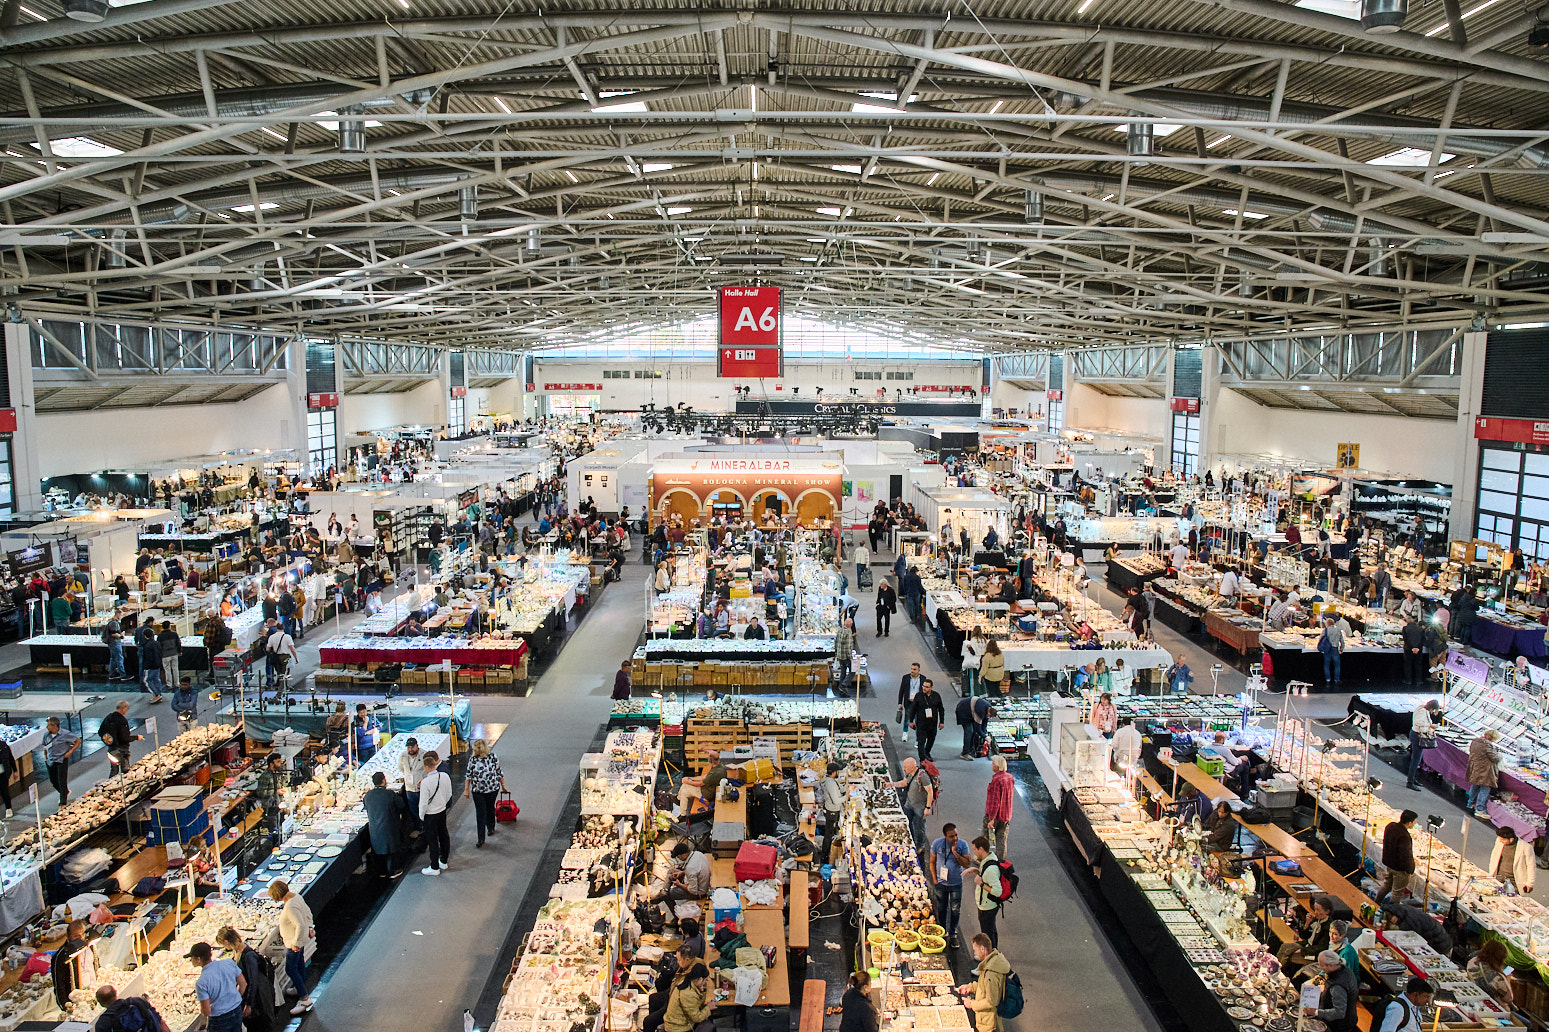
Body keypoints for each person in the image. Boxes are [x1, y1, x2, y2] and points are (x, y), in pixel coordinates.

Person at [215, 926, 278, 1032]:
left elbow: (253, 981)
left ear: (226, 942)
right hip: (248, 997)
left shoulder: (248, 956)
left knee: (258, 1026)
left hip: (257, 1000)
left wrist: (249, 1005)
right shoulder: (238, 951)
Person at [266, 880, 314, 1013]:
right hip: (300, 940)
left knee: (290, 969)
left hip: (294, 943)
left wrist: (295, 943)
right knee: (299, 964)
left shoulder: (290, 907)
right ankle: (300, 987)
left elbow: (300, 925)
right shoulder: (296, 897)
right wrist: (310, 927)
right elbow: (308, 913)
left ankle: (304, 998)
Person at [955, 933, 1012, 1032]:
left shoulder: (991, 974)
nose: (974, 953)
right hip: (989, 1020)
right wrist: (970, 987)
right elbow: (985, 986)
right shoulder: (993, 962)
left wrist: (972, 1004)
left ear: (982, 949)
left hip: (989, 1024)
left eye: (975, 950)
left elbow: (991, 1001)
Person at [928, 823, 972, 949]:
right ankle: (942, 931)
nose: (955, 838)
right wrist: (935, 880)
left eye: (956, 835)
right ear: (945, 836)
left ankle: (953, 934)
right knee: (942, 908)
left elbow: (967, 864)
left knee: (955, 909)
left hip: (956, 883)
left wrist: (956, 853)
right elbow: (932, 862)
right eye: (951, 836)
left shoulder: (962, 845)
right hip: (941, 883)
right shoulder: (937, 844)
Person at [188, 941, 247, 1032]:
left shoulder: (201, 982)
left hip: (219, 1019)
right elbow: (243, 984)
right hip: (236, 1010)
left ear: (198, 959)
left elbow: (206, 1011)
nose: (190, 960)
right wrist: (235, 998)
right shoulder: (229, 963)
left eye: (191, 958)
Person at [1301, 949, 1359, 1032]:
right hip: (1345, 1019)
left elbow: (1339, 1013)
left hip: (1339, 1026)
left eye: (1321, 965)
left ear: (1331, 965)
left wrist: (1316, 1012)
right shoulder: (1344, 969)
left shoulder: (1337, 986)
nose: (1319, 967)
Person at [363, 771, 408, 878]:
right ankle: (393, 871)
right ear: (384, 780)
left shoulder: (368, 795)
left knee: (379, 849)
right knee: (391, 849)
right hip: (390, 827)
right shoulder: (390, 794)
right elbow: (401, 805)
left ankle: (381, 872)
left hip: (374, 829)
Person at [464, 738, 507, 848]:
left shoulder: (492, 757)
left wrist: (503, 785)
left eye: (475, 749)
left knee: (490, 808)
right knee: (480, 812)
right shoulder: (473, 760)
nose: (474, 751)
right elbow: (468, 775)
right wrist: (466, 789)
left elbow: (499, 772)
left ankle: (491, 826)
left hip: (492, 789)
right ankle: (481, 837)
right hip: (478, 791)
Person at [966, 836, 1004, 949]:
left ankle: (989, 954)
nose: (974, 852)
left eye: (975, 849)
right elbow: (985, 875)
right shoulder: (989, 859)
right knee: (991, 930)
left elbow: (998, 891)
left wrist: (981, 884)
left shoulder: (991, 869)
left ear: (981, 849)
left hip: (987, 907)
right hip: (988, 905)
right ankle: (994, 951)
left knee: (987, 934)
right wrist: (976, 871)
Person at [419, 749, 453, 874]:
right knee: (443, 835)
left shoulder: (425, 782)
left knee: (432, 839)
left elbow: (423, 802)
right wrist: (442, 804)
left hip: (430, 814)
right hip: (442, 811)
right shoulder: (444, 776)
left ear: (426, 767)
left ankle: (434, 867)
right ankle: (443, 861)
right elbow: (449, 793)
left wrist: (421, 815)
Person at [888, 757, 934, 847]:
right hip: (909, 803)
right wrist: (891, 784)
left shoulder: (922, 776)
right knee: (907, 822)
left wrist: (928, 808)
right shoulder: (909, 774)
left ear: (912, 767)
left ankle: (920, 845)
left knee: (919, 827)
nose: (903, 769)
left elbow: (930, 791)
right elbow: (904, 783)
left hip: (919, 807)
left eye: (906, 767)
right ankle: (911, 839)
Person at [653, 842, 712, 908]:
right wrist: (682, 872)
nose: (678, 858)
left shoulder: (690, 868)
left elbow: (693, 891)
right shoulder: (697, 854)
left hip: (698, 893)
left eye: (678, 857)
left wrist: (679, 884)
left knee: (668, 895)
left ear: (683, 855)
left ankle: (676, 912)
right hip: (697, 881)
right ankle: (664, 890)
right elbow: (696, 870)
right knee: (671, 871)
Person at [93, 984, 172, 1032]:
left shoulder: (102, 1024)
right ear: (116, 993)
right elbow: (161, 1022)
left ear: (101, 1003)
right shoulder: (138, 1001)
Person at [661, 963, 714, 1032]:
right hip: (678, 1028)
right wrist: (708, 1008)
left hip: (677, 1023)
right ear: (700, 979)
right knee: (708, 1026)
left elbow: (697, 1004)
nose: (705, 982)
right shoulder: (688, 994)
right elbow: (697, 1018)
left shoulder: (686, 981)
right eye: (705, 980)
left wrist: (702, 990)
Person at [51, 919, 90, 1009]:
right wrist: (66, 1007)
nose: (81, 938)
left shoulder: (88, 945)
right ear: (68, 936)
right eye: (76, 936)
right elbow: (59, 986)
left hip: (91, 991)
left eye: (82, 934)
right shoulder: (61, 957)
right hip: (77, 1000)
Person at [1381, 810, 1418, 901]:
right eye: (1414, 822)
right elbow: (1406, 855)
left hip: (1389, 864)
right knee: (1397, 892)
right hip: (1399, 869)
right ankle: (1392, 909)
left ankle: (1376, 902)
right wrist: (1410, 869)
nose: (1415, 824)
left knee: (1386, 886)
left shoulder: (1391, 826)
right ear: (1409, 823)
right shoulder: (1404, 836)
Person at [1466, 940, 1513, 1009]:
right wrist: (1507, 980)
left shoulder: (1472, 962)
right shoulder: (1498, 978)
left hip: (1474, 997)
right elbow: (1509, 999)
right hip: (1492, 1007)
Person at [100, 699, 142, 774]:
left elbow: (100, 731)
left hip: (111, 749)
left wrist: (109, 741)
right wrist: (137, 737)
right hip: (122, 750)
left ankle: (111, 782)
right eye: (127, 708)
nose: (127, 710)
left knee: (114, 770)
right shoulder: (122, 720)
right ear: (124, 708)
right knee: (125, 771)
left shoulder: (108, 717)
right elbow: (124, 738)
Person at [983, 755, 1012, 860]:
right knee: (1001, 839)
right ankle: (1001, 860)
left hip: (994, 816)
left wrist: (991, 819)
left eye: (993, 763)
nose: (992, 765)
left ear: (997, 765)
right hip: (1006, 815)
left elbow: (995, 801)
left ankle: (982, 858)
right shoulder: (1010, 778)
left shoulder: (996, 780)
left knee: (985, 837)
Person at [1490, 825, 1534, 893]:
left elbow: (1531, 866)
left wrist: (1530, 883)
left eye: (1503, 840)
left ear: (1511, 839)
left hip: (1514, 882)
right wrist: (1491, 873)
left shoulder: (1526, 847)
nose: (1501, 841)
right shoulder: (1499, 841)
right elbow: (1494, 856)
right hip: (1499, 877)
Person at [1467, 729, 1502, 816]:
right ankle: (1480, 809)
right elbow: (1495, 758)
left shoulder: (1475, 742)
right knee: (1485, 788)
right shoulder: (1487, 746)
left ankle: (1471, 803)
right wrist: (1499, 755)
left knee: (1475, 786)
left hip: (1476, 767)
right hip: (1485, 771)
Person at [1408, 700, 1439, 790]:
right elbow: (1418, 722)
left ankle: (1413, 778)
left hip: (1416, 735)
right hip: (1417, 736)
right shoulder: (1422, 711)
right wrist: (1430, 725)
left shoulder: (1422, 709)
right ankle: (1410, 781)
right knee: (1415, 760)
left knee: (1417, 759)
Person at [819, 761, 846, 864]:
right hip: (832, 812)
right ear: (834, 772)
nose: (838, 773)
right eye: (838, 771)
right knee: (828, 835)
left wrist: (846, 789)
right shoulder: (831, 784)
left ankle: (826, 854)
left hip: (830, 810)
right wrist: (847, 796)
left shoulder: (829, 780)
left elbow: (837, 791)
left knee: (829, 833)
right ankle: (824, 857)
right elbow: (836, 800)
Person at [910, 679, 943, 762]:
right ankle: (922, 759)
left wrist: (942, 722)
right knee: (921, 741)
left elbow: (941, 709)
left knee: (931, 739)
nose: (924, 688)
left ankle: (927, 752)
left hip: (932, 723)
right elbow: (913, 709)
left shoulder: (936, 696)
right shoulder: (918, 696)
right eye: (923, 686)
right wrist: (911, 721)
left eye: (927, 687)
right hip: (921, 723)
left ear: (931, 688)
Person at [397, 736, 425, 831]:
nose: (410, 749)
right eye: (408, 747)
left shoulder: (424, 755)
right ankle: (418, 827)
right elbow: (401, 767)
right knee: (413, 809)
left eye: (412, 747)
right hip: (409, 788)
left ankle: (426, 827)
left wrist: (424, 779)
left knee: (423, 808)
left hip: (421, 788)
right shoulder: (403, 756)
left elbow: (428, 769)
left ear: (417, 746)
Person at [1319, 616, 1345, 685]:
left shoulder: (1325, 630)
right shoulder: (1338, 630)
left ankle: (1328, 679)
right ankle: (1336, 679)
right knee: (1337, 665)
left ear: (1327, 624)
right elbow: (1342, 641)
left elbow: (1320, 638)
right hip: (1335, 649)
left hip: (1327, 649)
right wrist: (1341, 649)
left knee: (1326, 664)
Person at [961, 627, 984, 697]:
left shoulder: (974, 640)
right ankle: (982, 693)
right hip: (981, 661)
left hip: (974, 663)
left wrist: (969, 647)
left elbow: (973, 652)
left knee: (974, 679)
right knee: (980, 678)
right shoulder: (983, 640)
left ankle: (974, 694)